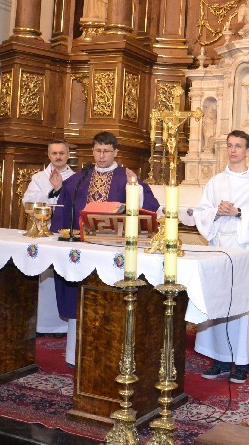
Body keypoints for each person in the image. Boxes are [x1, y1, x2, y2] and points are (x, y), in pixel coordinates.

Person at [50, 131, 160, 366]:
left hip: (113, 251)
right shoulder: (80, 177)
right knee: (79, 296)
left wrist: (135, 188)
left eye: (107, 151)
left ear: (116, 152)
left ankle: (109, 353)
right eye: (98, 151)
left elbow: (149, 207)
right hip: (83, 249)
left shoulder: (126, 176)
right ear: (92, 151)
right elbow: (64, 207)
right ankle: (75, 355)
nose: (101, 156)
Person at [193, 130, 249, 383]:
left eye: (238, 146)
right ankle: (219, 359)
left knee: (241, 305)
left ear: (248, 151)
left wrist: (239, 212)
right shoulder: (215, 182)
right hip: (218, 247)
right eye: (229, 145)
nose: (233, 150)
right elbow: (201, 212)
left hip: (243, 249)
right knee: (217, 302)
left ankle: (242, 362)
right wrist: (216, 212)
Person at [23, 140, 75, 335]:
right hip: (42, 231)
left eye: (61, 153)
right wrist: (52, 190)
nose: (58, 157)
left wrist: (61, 189)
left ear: (68, 155)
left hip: (65, 232)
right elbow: (27, 201)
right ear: (48, 155)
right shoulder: (38, 178)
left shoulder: (75, 178)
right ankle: (44, 325)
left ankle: (63, 326)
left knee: (64, 274)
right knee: (44, 276)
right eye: (54, 153)